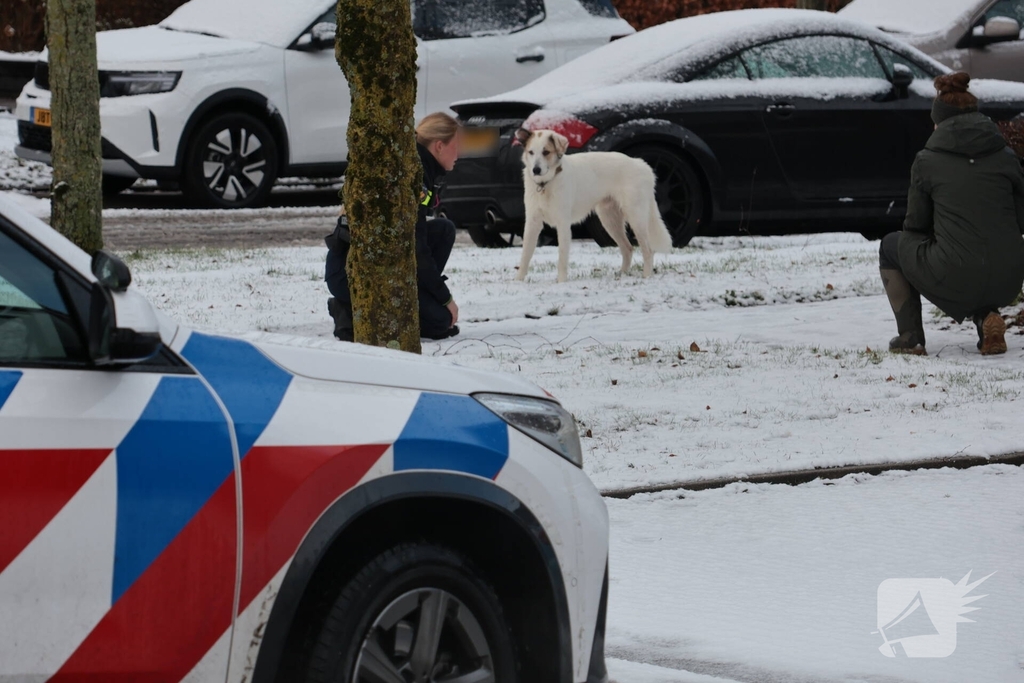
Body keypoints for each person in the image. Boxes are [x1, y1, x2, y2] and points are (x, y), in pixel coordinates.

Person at [879, 72, 1024, 356]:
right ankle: (986, 321)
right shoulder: (1006, 157)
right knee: (977, 255)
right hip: (1009, 276)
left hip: (956, 271)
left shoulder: (927, 161)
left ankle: (910, 338)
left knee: (891, 246)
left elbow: (915, 225)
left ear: (940, 121)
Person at [325, 112, 462, 341]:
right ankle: (349, 311)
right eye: (456, 146)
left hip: (377, 263)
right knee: (440, 322)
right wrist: (445, 299)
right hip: (350, 275)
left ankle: (406, 301)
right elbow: (417, 250)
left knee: (443, 230)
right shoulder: (413, 175)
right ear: (439, 146)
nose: (460, 153)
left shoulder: (419, 167)